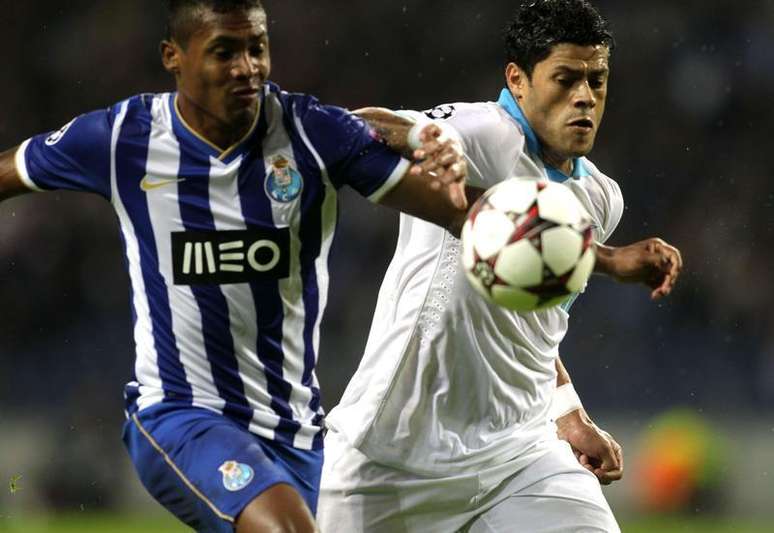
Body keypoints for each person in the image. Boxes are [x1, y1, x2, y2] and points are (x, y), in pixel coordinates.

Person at [0, 1, 470, 531]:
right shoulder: (122, 137)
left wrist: (472, 189)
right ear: (173, 57)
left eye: (256, 48)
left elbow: (459, 211)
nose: (247, 67)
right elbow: (9, 170)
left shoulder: (312, 133)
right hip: (181, 413)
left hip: (297, 432)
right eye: (224, 52)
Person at [317, 0, 683, 531]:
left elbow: (535, 324)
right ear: (517, 80)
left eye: (597, 80)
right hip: (391, 454)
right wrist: (421, 139)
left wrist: (568, 412)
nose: (585, 96)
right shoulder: (482, 133)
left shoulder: (601, 198)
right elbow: (350, 128)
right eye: (566, 79)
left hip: (520, 455)